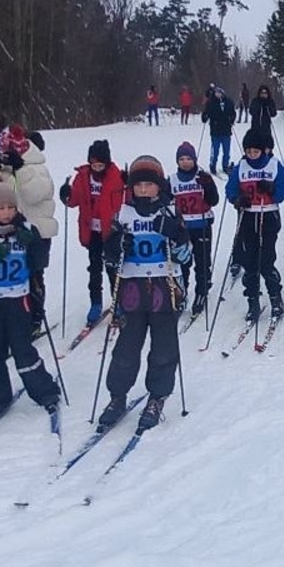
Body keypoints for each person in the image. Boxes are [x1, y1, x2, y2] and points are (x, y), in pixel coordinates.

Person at [96, 156, 192, 435]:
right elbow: (110, 259)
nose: (144, 190)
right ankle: (117, 396)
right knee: (126, 348)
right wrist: (115, 245)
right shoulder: (123, 214)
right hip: (132, 290)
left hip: (165, 287)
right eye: (139, 186)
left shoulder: (171, 212)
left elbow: (185, 256)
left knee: (163, 348)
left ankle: (157, 397)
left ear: (159, 186)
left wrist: (175, 235)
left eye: (150, 185)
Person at [0, 175, 60, 422]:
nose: (6, 213)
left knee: (23, 349)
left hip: (18, 299)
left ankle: (44, 391)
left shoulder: (26, 229)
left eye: (10, 207)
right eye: (1, 208)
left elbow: (41, 263)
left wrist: (36, 246)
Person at [61, 140, 126, 328]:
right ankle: (95, 303)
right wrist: (66, 194)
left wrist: (128, 184)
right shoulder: (82, 177)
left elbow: (125, 201)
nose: (97, 168)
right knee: (94, 267)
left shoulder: (116, 176)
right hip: (92, 231)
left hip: (111, 231)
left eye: (100, 165)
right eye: (94, 164)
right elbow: (74, 200)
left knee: (113, 267)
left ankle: (119, 302)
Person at [226, 126, 284, 321]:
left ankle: (275, 297)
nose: (252, 155)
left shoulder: (274, 165)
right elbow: (230, 190)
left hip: (268, 215)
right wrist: (237, 200)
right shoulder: (240, 167)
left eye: (256, 151)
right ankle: (252, 301)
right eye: (248, 151)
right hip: (248, 217)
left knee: (266, 260)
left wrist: (271, 190)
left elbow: (282, 192)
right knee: (250, 262)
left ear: (263, 150)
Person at [0, 124, 58, 325]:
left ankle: (36, 317)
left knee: (34, 274)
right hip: (12, 232)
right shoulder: (6, 171)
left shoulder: (35, 167)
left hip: (37, 230)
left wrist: (20, 168)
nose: (4, 157)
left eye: (7, 152)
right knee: (15, 275)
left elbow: (34, 195)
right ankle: (17, 316)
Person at [171, 142, 220, 317]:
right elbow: (166, 203)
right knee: (181, 263)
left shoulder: (202, 176)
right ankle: (181, 294)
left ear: (195, 159)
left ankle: (202, 292)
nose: (185, 162)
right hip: (182, 229)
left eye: (189, 159)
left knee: (202, 262)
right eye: (182, 159)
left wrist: (207, 186)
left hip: (202, 225)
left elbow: (214, 200)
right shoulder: (173, 180)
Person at [200, 84, 237, 174]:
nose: (218, 95)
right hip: (215, 130)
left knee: (226, 150)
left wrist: (231, 119)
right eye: (216, 93)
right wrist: (205, 116)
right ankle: (213, 165)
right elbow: (205, 114)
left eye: (219, 93)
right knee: (215, 150)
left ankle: (225, 165)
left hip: (226, 130)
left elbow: (233, 113)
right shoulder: (211, 103)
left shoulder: (229, 102)